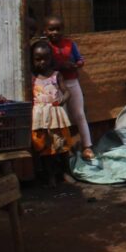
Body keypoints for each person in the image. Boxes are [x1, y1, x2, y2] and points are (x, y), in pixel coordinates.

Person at [45, 16, 94, 161]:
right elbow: (45, 65)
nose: (55, 32)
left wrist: (77, 64)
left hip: (72, 82)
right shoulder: (45, 47)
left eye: (58, 29)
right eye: (51, 29)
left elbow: (80, 59)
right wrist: (60, 66)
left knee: (79, 114)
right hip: (55, 86)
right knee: (62, 117)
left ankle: (87, 146)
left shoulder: (70, 44)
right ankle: (66, 149)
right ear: (45, 31)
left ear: (63, 30)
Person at [30, 41, 75, 185]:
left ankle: (65, 172)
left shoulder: (56, 75)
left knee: (62, 145)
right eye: (38, 59)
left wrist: (63, 99)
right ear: (32, 60)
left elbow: (67, 92)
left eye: (46, 58)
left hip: (56, 116)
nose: (42, 62)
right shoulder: (32, 78)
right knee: (45, 148)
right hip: (40, 118)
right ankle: (51, 175)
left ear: (51, 59)